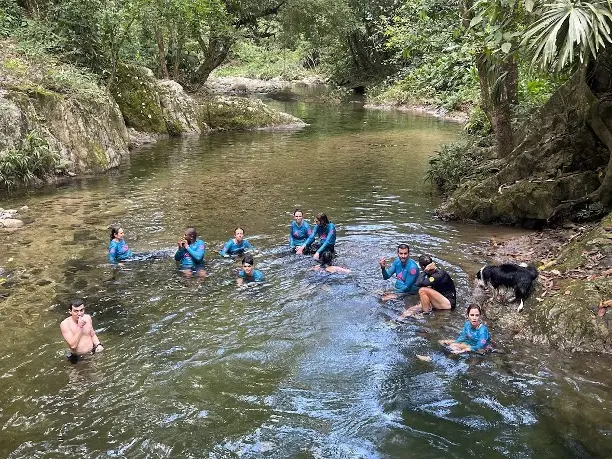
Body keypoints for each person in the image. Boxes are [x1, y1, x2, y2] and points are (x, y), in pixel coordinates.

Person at [60, 299, 104, 364]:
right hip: (77, 357)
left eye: (81, 310)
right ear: (70, 311)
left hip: (91, 352)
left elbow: (92, 335)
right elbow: (73, 346)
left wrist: (98, 344)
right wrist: (79, 327)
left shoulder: (87, 318)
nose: (79, 314)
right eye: (76, 311)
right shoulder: (65, 324)